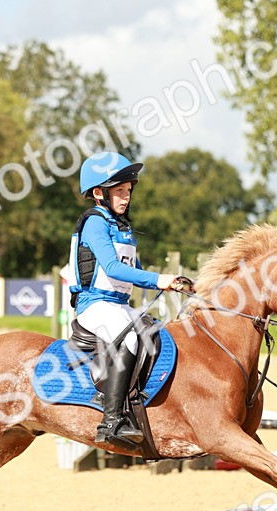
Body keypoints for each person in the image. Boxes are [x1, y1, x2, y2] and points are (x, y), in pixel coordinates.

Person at [69, 151, 189, 447]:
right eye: (119, 191)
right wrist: (160, 278)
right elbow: (112, 268)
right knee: (131, 340)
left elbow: (131, 271)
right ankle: (111, 422)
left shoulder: (121, 227)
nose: (126, 197)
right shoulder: (95, 223)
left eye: (128, 191)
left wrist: (177, 285)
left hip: (118, 306)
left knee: (160, 333)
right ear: (99, 193)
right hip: (94, 304)